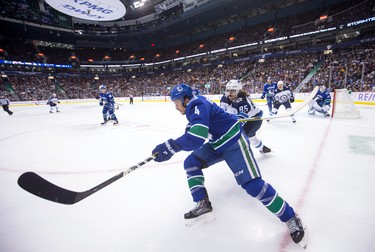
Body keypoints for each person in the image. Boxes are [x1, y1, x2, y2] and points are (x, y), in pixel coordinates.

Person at [151, 83, 307, 249]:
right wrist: (172, 145)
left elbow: (196, 137)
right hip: (218, 143)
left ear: (186, 99)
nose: (176, 107)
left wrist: (171, 146)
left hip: (234, 143)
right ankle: (202, 202)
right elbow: (194, 131)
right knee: (191, 163)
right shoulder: (196, 105)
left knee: (253, 186)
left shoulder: (196, 105)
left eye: (176, 103)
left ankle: (291, 218)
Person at [221, 80, 271, 154]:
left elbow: (239, 122)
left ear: (238, 91)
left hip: (253, 120)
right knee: (251, 137)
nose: (229, 93)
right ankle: (262, 147)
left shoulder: (243, 102)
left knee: (241, 136)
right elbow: (222, 112)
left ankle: (243, 155)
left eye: (232, 91)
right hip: (241, 118)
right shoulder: (225, 97)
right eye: (228, 90)